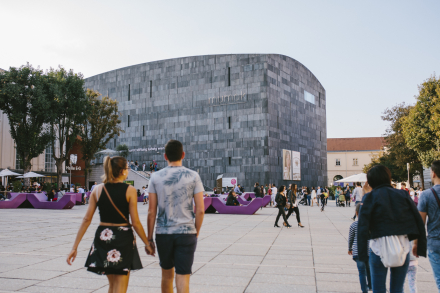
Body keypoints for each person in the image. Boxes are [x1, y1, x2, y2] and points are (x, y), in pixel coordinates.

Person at [66, 156, 153, 293]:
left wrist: (74, 247)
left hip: (103, 237)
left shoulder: (98, 190)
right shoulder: (129, 190)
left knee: (112, 286)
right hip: (123, 238)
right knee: (120, 286)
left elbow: (86, 219)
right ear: (122, 171)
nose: (128, 171)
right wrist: (147, 243)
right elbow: (135, 223)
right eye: (127, 168)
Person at [358, 165, 427, 293]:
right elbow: (417, 219)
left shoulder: (369, 197)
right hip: (403, 245)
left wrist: (362, 255)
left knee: (378, 288)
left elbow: (362, 226)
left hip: (378, 247)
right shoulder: (402, 194)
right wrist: (418, 243)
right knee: (397, 288)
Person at [147, 140, 205, 293]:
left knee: (166, 276)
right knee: (183, 277)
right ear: (183, 155)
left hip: (163, 234)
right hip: (187, 233)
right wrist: (196, 231)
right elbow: (200, 210)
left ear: (165, 156)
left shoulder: (155, 177)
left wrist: (149, 238)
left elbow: (151, 211)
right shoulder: (193, 176)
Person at [416, 160, 440, 291]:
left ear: (434, 173)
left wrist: (416, 244)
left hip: (435, 242)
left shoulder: (426, 195)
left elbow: (421, 223)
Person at [349, 203, 371, 293]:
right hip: (369, 251)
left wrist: (349, 248)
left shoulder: (354, 225)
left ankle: (364, 290)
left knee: (362, 272)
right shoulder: (370, 225)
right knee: (369, 270)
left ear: (356, 213)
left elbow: (351, 238)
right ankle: (371, 286)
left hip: (358, 252)